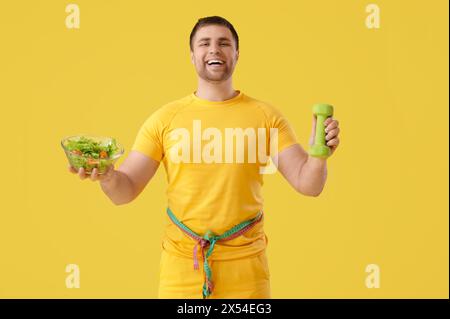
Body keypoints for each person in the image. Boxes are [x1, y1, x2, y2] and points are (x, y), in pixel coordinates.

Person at [68, 16, 341, 299]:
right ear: (192, 55)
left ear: (236, 53)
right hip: (181, 268)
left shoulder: (267, 117)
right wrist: (108, 175)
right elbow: (124, 192)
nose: (214, 49)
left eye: (224, 43)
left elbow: (309, 185)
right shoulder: (164, 119)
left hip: (247, 271)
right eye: (204, 43)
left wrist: (319, 155)